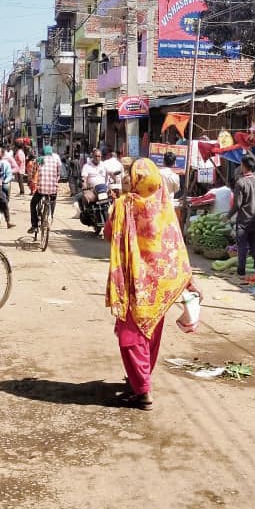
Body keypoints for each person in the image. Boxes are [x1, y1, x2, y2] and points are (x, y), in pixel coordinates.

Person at [105, 159, 198, 410]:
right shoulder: (164, 205)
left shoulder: (124, 205)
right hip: (160, 285)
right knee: (150, 335)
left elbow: (108, 233)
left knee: (131, 337)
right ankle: (139, 380)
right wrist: (188, 280)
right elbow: (176, 246)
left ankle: (143, 391)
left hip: (136, 284)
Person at [228, 156, 255, 277]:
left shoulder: (240, 182)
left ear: (243, 166)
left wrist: (228, 216)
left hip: (243, 220)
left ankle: (241, 271)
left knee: (242, 246)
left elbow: (237, 204)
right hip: (254, 219)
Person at [28, 145, 62, 235]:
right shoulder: (56, 160)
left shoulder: (40, 159)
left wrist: (32, 178)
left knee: (33, 204)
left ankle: (34, 225)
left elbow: (33, 171)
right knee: (53, 199)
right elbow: (59, 174)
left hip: (41, 189)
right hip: (53, 189)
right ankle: (51, 215)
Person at [79, 148, 108, 214]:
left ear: (101, 157)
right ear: (92, 156)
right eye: (96, 156)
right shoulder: (87, 166)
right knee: (86, 197)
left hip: (103, 190)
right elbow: (84, 178)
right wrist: (84, 185)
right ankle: (87, 212)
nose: (97, 158)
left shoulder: (104, 165)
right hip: (92, 191)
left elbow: (107, 177)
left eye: (99, 156)